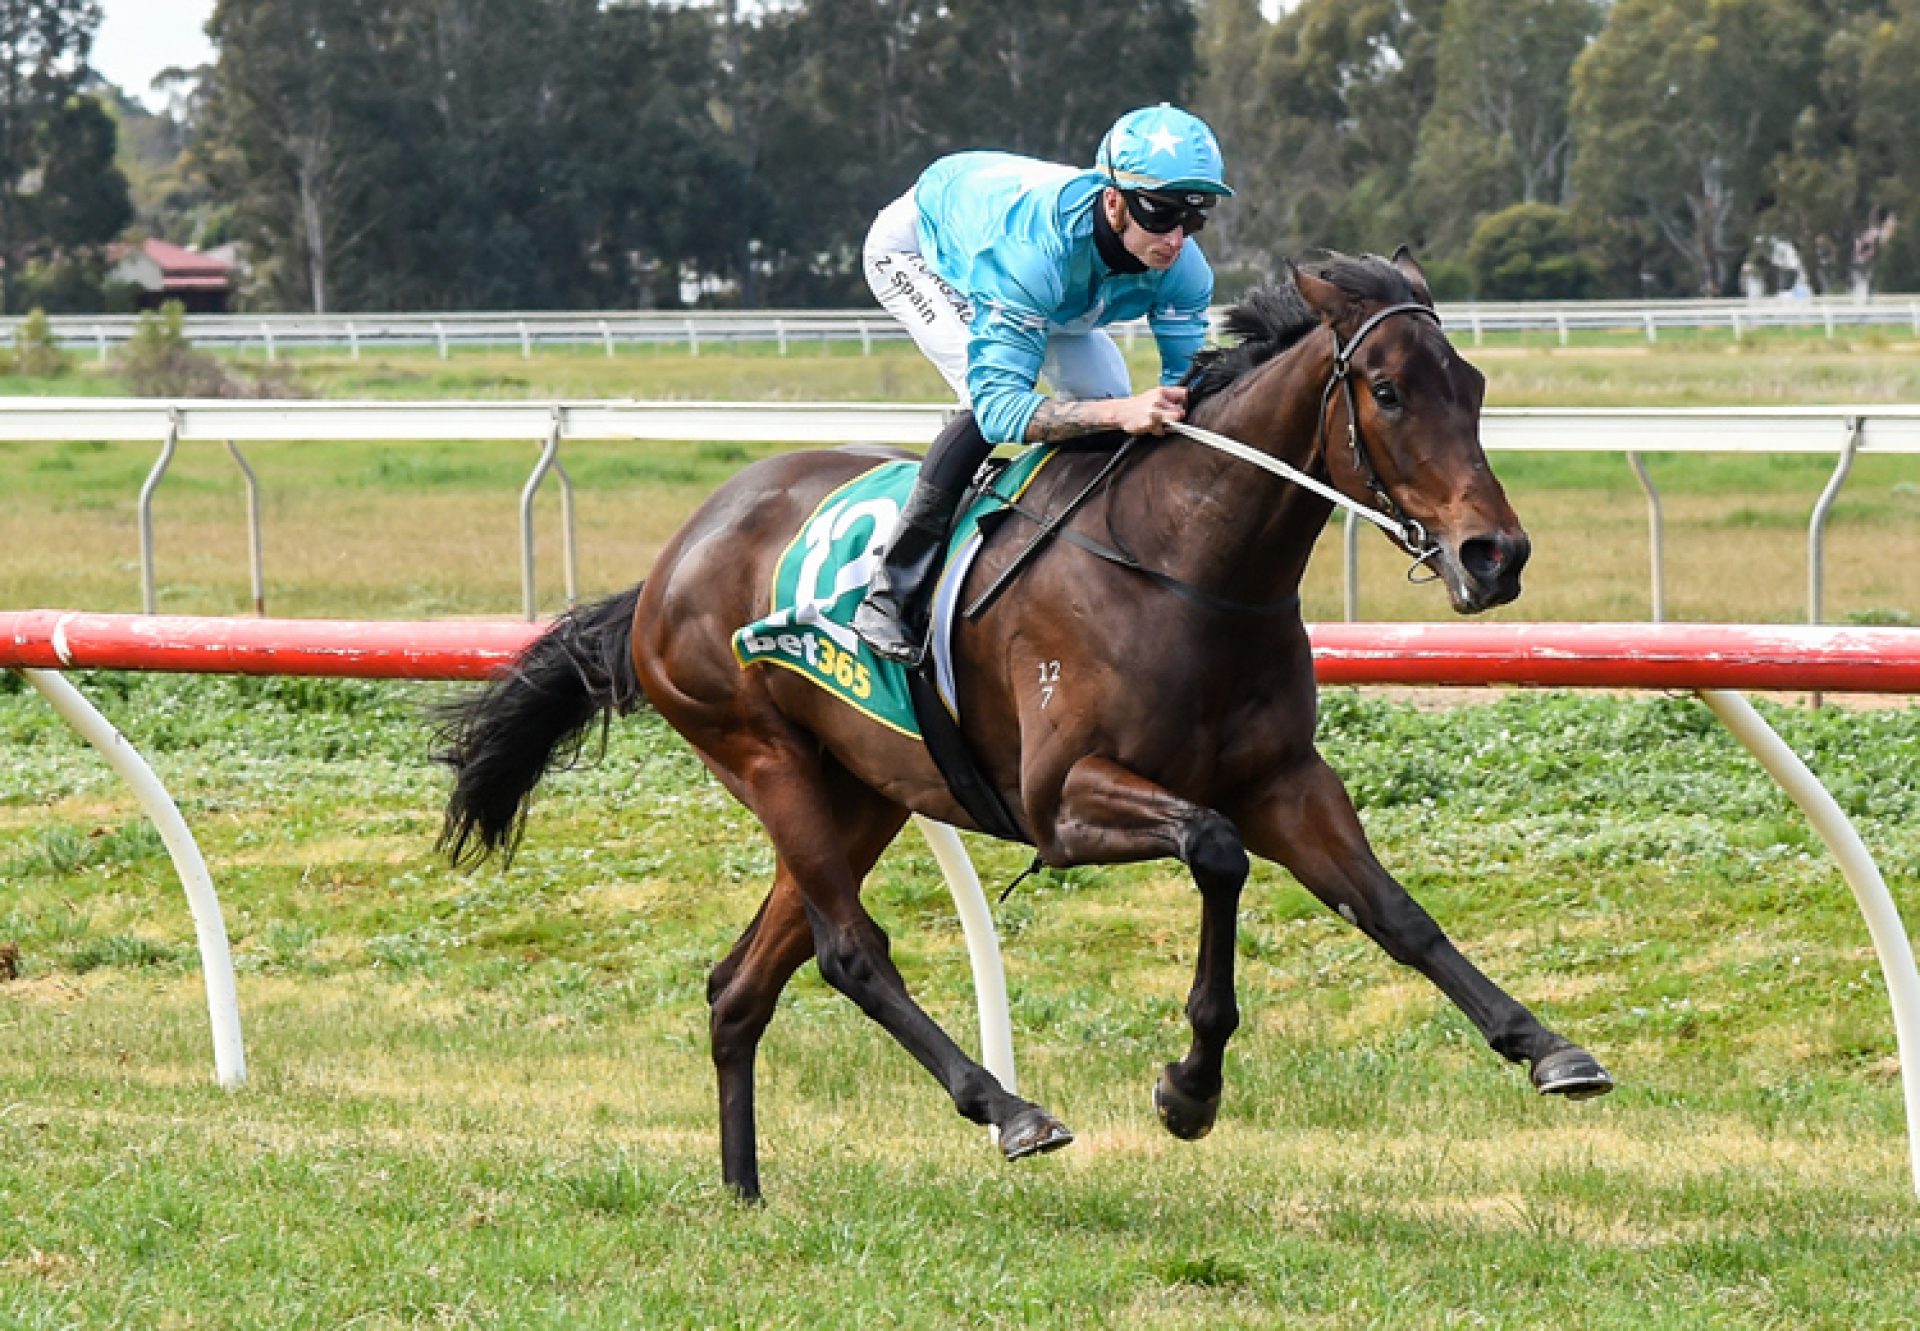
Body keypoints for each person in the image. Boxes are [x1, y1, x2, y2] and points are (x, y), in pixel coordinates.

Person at [852, 103, 1233, 663]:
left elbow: (1190, 389)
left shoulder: (1184, 270)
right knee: (988, 401)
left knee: (1110, 404)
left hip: (1059, 292)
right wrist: (1120, 413)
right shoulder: (1034, 253)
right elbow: (1002, 411)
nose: (1176, 239)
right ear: (1113, 200)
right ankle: (890, 594)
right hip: (931, 255)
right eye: (1160, 214)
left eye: (1193, 219)